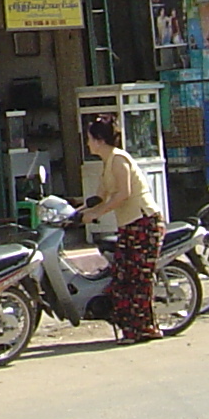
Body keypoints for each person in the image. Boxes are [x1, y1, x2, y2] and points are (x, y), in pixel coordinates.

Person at [76, 115, 162, 342]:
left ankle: (140, 330)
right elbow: (99, 196)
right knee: (122, 277)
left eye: (89, 138)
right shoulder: (107, 163)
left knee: (136, 280)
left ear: (98, 140)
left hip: (143, 222)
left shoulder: (119, 159)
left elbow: (123, 193)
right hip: (128, 225)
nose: (87, 143)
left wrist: (96, 214)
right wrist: (75, 211)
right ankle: (139, 327)